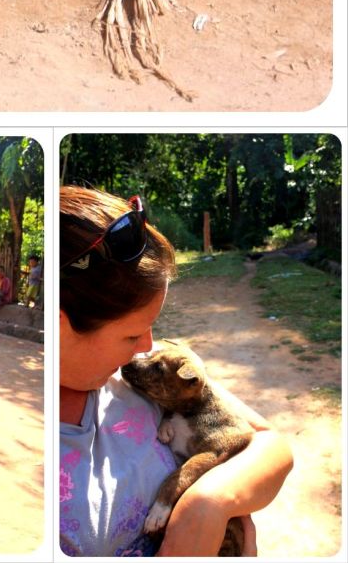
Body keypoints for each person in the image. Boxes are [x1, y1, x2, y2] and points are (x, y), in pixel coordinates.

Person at [59, 186, 293, 557]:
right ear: (60, 325)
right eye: (132, 334)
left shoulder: (136, 377)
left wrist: (208, 503)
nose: (147, 348)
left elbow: (269, 444)